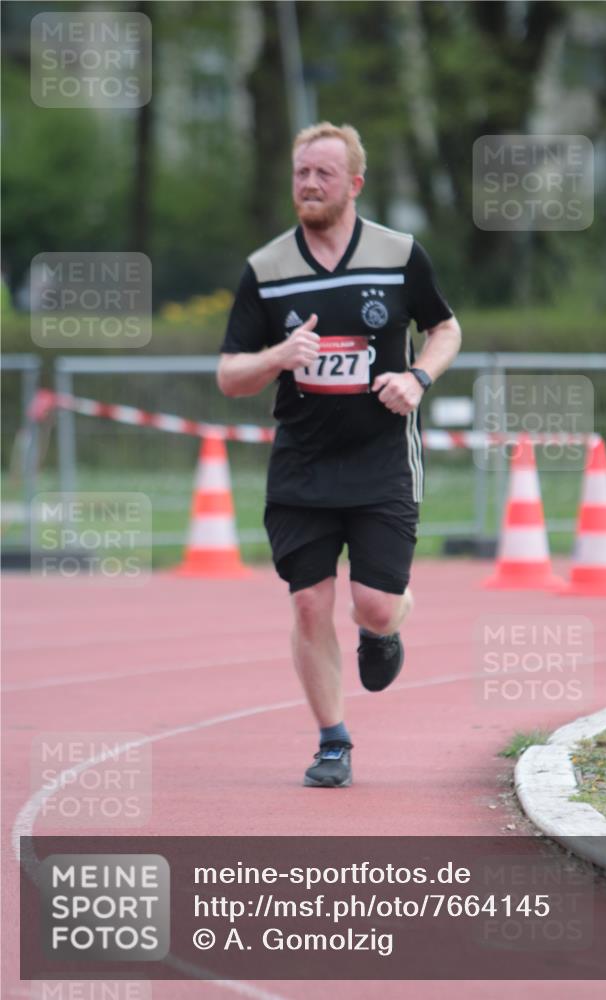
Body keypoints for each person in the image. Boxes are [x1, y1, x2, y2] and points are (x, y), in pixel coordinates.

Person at [217, 122, 461, 788]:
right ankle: (332, 740)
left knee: (374, 605)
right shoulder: (266, 270)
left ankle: (383, 631)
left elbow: (444, 326)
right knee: (307, 603)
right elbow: (230, 375)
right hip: (301, 463)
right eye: (300, 173)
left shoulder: (398, 253)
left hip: (381, 459)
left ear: (353, 184)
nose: (308, 184)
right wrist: (276, 357)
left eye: (323, 173)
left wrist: (418, 377)